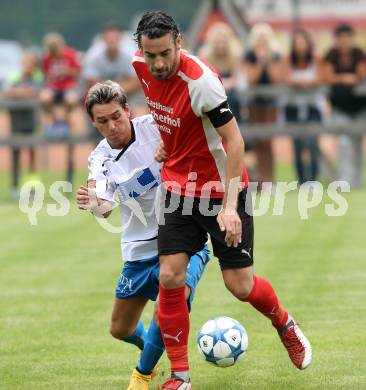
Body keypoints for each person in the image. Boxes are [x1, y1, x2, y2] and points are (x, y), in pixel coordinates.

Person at [133, 11, 312, 389]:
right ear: (141, 51)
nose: (159, 63)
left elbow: (234, 142)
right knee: (169, 276)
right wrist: (170, 145)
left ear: (180, 42)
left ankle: (284, 323)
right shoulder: (141, 66)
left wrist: (230, 207)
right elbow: (172, 118)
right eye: (151, 56)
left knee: (240, 286)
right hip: (178, 190)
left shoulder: (203, 83)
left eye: (165, 53)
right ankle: (180, 377)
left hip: (221, 191)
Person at [76, 80, 210, 390]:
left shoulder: (156, 127)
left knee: (169, 305)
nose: (112, 126)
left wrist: (173, 149)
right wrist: (94, 204)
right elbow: (105, 206)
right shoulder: (100, 159)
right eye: (102, 121)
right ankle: (153, 345)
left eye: (116, 117)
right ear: (94, 124)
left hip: (183, 239)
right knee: (119, 328)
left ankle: (142, 375)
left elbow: (196, 138)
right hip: (138, 249)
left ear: (128, 110)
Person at [323, 23, 366, 188]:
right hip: (340, 109)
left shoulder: (359, 54)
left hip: (360, 109)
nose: (344, 42)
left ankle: (356, 181)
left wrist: (348, 77)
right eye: (341, 38)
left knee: (357, 144)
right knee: (342, 143)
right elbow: (327, 76)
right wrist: (344, 78)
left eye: (347, 38)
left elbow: (362, 75)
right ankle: (344, 181)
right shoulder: (331, 55)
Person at [243, 23, 284, 190]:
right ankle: (262, 181)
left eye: (264, 38)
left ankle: (271, 179)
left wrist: (267, 60)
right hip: (254, 103)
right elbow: (251, 79)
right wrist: (260, 61)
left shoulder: (276, 55)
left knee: (268, 141)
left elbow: (275, 78)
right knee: (258, 142)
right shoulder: (249, 56)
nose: (261, 42)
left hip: (270, 103)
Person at [284, 28, 324, 184]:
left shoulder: (316, 59)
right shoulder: (288, 59)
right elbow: (285, 77)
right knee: (297, 146)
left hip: (313, 107)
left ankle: (313, 180)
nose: (300, 46)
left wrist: (304, 82)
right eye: (297, 43)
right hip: (293, 108)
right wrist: (301, 82)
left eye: (303, 42)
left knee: (313, 144)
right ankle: (302, 182)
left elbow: (321, 77)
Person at [40, 32, 81, 183]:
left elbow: (77, 72)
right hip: (53, 87)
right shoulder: (46, 58)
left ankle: (65, 120)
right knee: (45, 97)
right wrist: (49, 75)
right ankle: (53, 121)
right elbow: (44, 74)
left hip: (68, 86)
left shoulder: (70, 54)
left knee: (71, 100)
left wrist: (66, 71)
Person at [3, 51, 43, 199]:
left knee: (32, 154)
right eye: (25, 62)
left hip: (31, 121)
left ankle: (32, 189)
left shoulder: (38, 78)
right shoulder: (14, 77)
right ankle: (14, 187)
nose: (27, 66)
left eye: (30, 63)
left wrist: (19, 92)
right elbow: (7, 92)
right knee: (15, 154)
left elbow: (36, 92)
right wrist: (24, 92)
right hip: (16, 121)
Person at [198, 22, 245, 122]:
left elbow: (238, 77)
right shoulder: (205, 56)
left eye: (223, 42)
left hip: (231, 92)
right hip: (213, 91)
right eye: (218, 42)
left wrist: (226, 84)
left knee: (233, 100)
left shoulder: (236, 55)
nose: (221, 45)